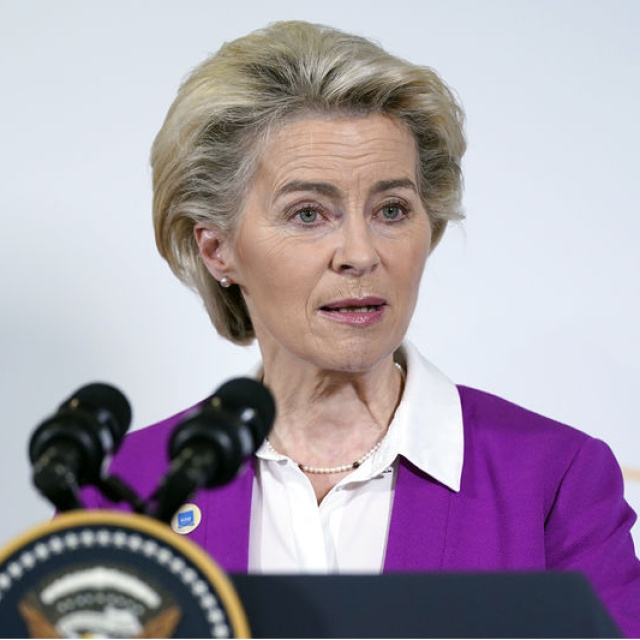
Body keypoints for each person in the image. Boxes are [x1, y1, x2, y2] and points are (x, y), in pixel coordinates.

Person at [81, 21, 640, 635]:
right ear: (218, 249)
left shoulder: (552, 479)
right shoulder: (125, 490)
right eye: (307, 213)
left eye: (391, 210)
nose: (360, 253)